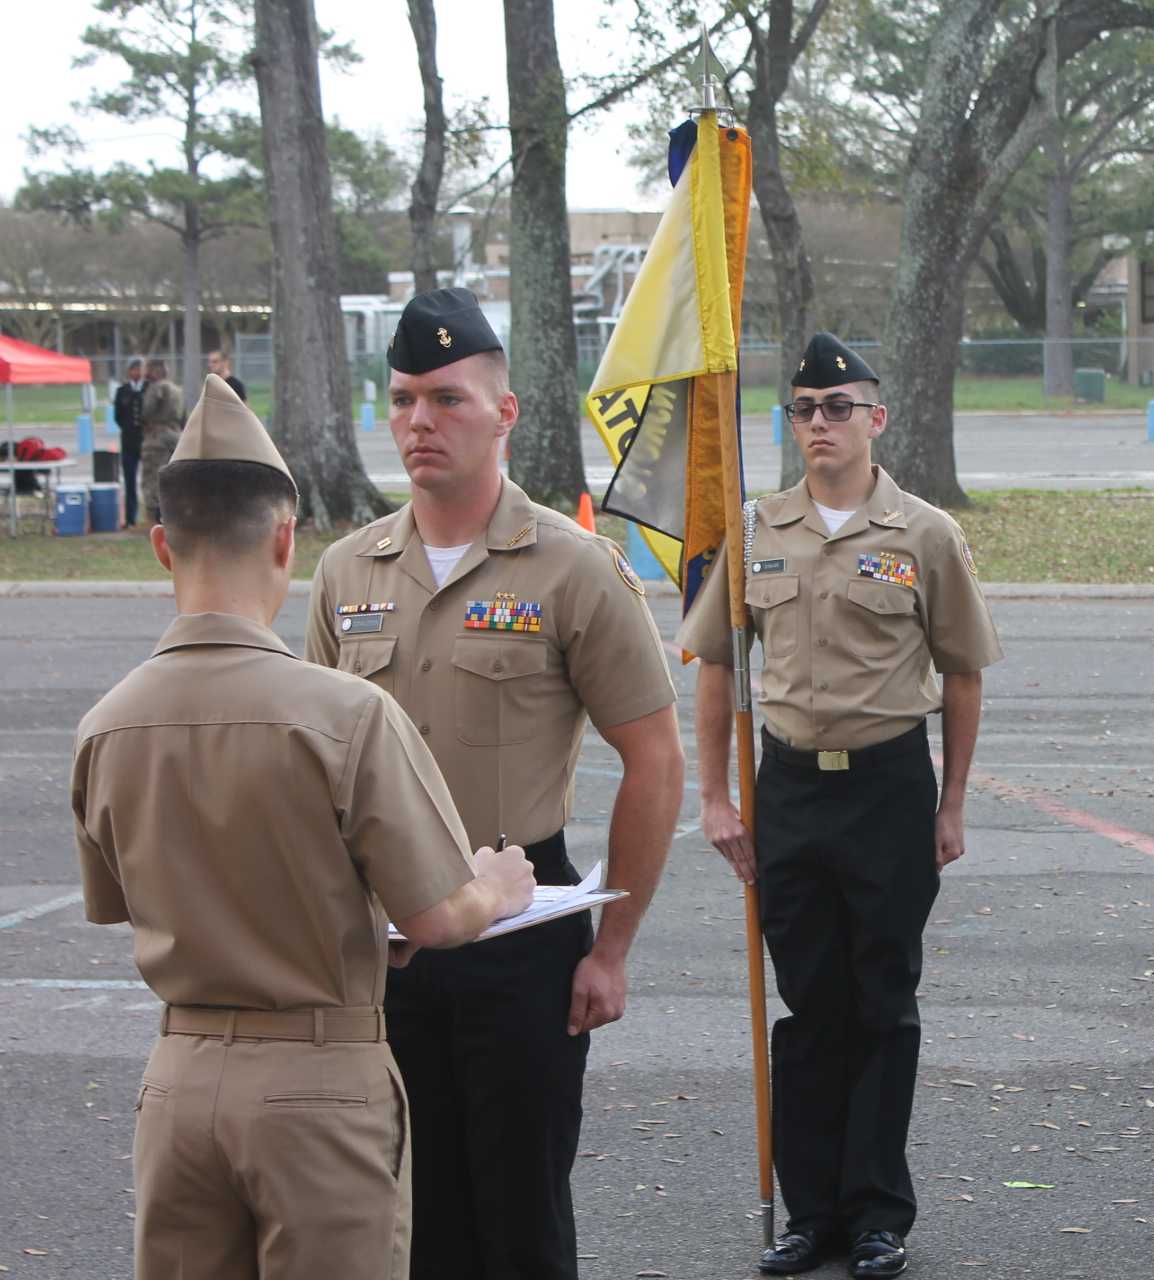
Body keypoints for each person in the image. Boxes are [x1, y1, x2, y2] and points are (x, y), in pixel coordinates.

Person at [71, 373, 539, 1279]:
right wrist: (496, 889)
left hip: (179, 1079)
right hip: (318, 1083)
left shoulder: (107, 724)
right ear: (286, 539)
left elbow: (142, 898)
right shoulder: (345, 714)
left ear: (162, 545)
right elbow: (440, 917)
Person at [305, 286, 685, 1280]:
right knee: (405, 1220)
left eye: (447, 398)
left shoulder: (571, 568)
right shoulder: (348, 573)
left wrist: (612, 949)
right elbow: (312, 773)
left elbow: (655, 757)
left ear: (505, 411)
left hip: (522, 936)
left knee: (519, 1222)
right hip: (385, 945)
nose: (419, 421)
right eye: (401, 400)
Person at [680, 332, 1002, 1280]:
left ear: (877, 419)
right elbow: (714, 667)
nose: (821, 425)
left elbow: (964, 672)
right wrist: (714, 797)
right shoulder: (756, 531)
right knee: (810, 1005)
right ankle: (810, 1211)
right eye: (804, 411)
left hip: (889, 790)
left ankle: (875, 1213)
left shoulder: (924, 534)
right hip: (787, 793)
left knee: (883, 1002)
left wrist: (953, 804)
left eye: (839, 408)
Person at [138, 359, 185, 525]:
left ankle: (153, 520)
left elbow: (147, 411)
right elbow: (183, 416)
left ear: (155, 371)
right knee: (173, 477)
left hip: (156, 438)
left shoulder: (156, 388)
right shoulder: (178, 390)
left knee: (152, 478)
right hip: (175, 436)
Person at [112, 357, 145, 527]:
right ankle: (131, 518)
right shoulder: (122, 391)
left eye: (139, 369)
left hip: (146, 441)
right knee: (129, 481)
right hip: (129, 442)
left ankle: (153, 517)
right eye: (133, 369)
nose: (136, 372)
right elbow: (118, 417)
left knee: (150, 481)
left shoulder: (149, 389)